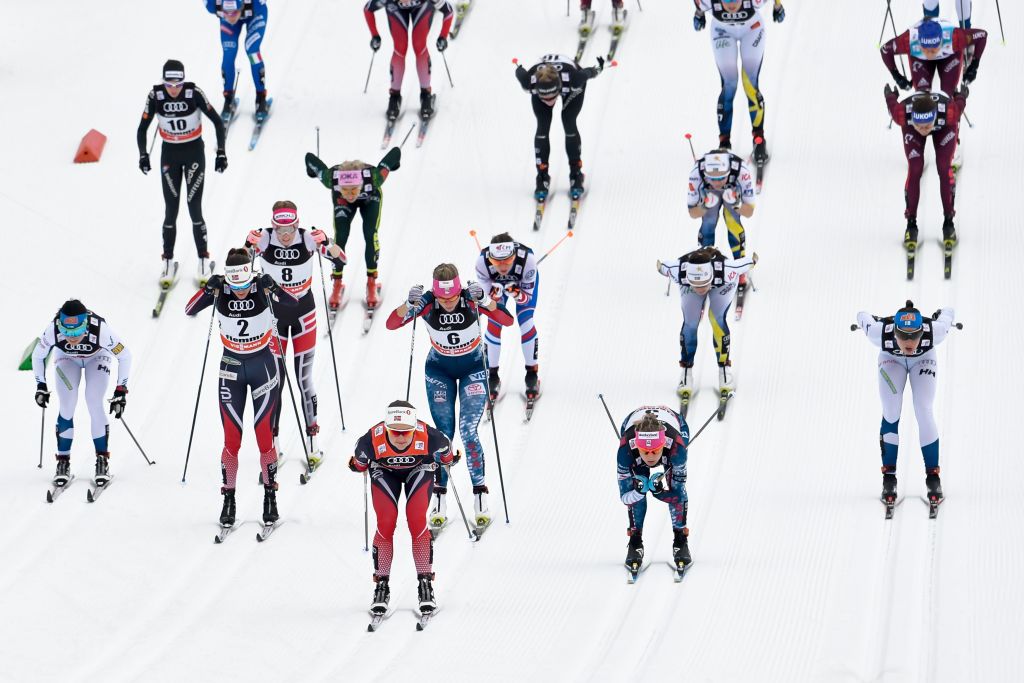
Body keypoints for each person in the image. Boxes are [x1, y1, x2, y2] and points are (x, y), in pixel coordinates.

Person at [385, 264, 514, 531]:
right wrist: (407, 304)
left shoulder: (470, 298)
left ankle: (480, 496)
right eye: (443, 298)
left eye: (452, 297)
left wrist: (486, 301)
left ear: (459, 291)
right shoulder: (427, 303)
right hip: (439, 370)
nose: (447, 303)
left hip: (473, 369)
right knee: (443, 435)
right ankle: (439, 499)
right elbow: (392, 324)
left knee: (468, 432)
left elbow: (507, 320)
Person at [185, 247, 295, 529]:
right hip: (231, 367)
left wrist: (275, 288)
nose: (241, 292)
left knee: (263, 438)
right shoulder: (221, 289)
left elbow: (293, 304)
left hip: (263, 366)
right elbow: (189, 309)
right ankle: (228, 498)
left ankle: (270, 496)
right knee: (232, 440)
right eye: (236, 286)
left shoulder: (260, 285)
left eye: (245, 285)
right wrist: (207, 290)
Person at [246, 202, 346, 466]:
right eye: (281, 229)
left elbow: (341, 259)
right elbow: (241, 266)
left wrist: (329, 241)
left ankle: (312, 440)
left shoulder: (308, 239)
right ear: (274, 225)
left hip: (304, 315)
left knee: (304, 380)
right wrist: (248, 245)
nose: (286, 235)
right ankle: (273, 445)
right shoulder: (265, 238)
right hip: (274, 318)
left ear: (297, 223)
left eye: (290, 228)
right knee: (275, 382)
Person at [349, 400, 455, 616]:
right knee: (386, 523)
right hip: (384, 471)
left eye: (405, 433)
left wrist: (449, 460)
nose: (399, 437)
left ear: (414, 428)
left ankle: (426, 585)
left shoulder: (430, 436)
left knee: (416, 521)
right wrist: (357, 466)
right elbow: (359, 462)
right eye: (394, 432)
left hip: (420, 468)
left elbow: (447, 451)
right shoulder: (370, 440)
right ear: (386, 428)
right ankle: (381, 586)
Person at [854, 302, 955, 508]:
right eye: (903, 336)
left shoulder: (935, 332)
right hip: (892, 359)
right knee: (891, 411)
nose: (909, 342)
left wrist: (941, 313)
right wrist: (874, 319)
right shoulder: (879, 333)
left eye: (914, 336)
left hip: (924, 359)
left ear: (922, 332)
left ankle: (933, 478)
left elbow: (948, 313)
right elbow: (861, 314)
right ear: (895, 333)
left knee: (923, 409)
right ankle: (889, 479)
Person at [137, 59, 227, 288]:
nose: (174, 89)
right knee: (171, 210)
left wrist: (221, 153)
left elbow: (217, 121)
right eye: (169, 84)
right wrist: (143, 155)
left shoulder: (193, 93)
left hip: (193, 153)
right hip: (170, 155)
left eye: (178, 83)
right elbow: (142, 128)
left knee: (194, 208)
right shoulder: (155, 96)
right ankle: (167, 261)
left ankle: (203, 259)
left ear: (183, 81)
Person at [32, 300, 132, 490]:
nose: (72, 338)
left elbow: (125, 355)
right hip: (67, 359)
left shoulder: (100, 330)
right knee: (67, 405)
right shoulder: (52, 330)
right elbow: (38, 356)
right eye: (67, 332)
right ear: (60, 325)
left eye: (77, 332)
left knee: (94, 401)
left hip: (97, 357)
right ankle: (63, 462)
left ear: (85, 325)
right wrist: (41, 385)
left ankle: (102, 459)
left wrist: (121, 391)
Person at [657, 247, 756, 409]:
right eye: (697, 284)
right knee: (690, 323)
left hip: (721, 285)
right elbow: (662, 266)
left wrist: (753, 261)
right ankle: (686, 372)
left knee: (716, 319)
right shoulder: (677, 271)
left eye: (704, 284)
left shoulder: (727, 270)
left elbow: (747, 263)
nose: (701, 289)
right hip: (689, 286)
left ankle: (724, 369)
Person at [305, 147, 401, 312]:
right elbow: (309, 157)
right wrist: (394, 164)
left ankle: (371, 283)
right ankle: (337, 283)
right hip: (342, 202)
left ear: (361, 184)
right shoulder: (330, 179)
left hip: (370, 199)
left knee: (370, 234)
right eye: (346, 190)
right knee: (340, 237)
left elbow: (396, 152)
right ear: (339, 185)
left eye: (354, 190)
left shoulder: (374, 177)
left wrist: (394, 163)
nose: (350, 194)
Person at [692, 0, 786, 162]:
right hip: (722, 31)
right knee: (729, 84)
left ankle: (759, 139)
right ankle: (724, 142)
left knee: (750, 83)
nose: (732, 5)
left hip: (752, 29)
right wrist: (699, 14)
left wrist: (778, 6)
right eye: (727, 0)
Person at [884, 85, 968, 249]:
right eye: (920, 126)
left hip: (944, 128)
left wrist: (961, 95)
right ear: (913, 119)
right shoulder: (902, 114)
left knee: (944, 167)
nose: (924, 131)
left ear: (934, 117)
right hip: (913, 127)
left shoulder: (949, 112)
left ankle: (949, 221)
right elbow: (891, 103)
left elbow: (960, 104)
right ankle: (911, 223)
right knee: (915, 168)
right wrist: (890, 94)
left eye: (927, 126)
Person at [514, 54, 605, 201]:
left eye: (552, 96)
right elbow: (520, 73)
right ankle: (542, 176)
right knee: (542, 126)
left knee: (568, 120)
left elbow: (587, 73)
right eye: (545, 97)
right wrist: (518, 67)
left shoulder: (574, 79)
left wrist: (599, 68)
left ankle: (576, 173)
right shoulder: (529, 83)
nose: (549, 101)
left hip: (569, 83)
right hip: (550, 81)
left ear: (558, 89)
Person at [617, 405, 692, 574]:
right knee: (638, 481)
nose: (650, 457)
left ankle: (680, 540)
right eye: (646, 451)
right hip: (630, 424)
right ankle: (635, 541)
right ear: (637, 445)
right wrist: (639, 491)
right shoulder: (625, 451)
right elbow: (624, 497)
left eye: (655, 451)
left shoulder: (677, 449)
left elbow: (679, 495)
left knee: (673, 483)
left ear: (663, 444)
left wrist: (660, 493)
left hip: (676, 424)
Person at [473, 233, 540, 402]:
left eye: (507, 261)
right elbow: (485, 299)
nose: (502, 267)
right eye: (497, 262)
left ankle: (532, 374)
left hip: (520, 286)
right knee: (494, 323)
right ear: (490, 259)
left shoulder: (528, 260)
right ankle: (493, 376)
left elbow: (527, 298)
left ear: (514, 256)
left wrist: (516, 293)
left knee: (526, 322)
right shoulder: (482, 263)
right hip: (496, 287)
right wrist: (493, 294)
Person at [364, 0, 454, 121]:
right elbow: (368, 9)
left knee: (419, 44)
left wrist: (443, 36)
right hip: (395, 8)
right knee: (400, 47)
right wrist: (374, 35)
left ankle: (425, 95)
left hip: (422, 6)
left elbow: (448, 11)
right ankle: (394, 96)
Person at [686, 148, 756, 294]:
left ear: (729, 171)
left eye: (721, 178)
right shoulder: (696, 173)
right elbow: (692, 213)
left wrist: (737, 206)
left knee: (732, 223)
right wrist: (705, 207)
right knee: (708, 223)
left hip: (733, 190)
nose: (717, 183)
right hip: (708, 193)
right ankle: (705, 264)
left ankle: (740, 269)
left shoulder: (742, 171)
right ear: (705, 173)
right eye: (712, 178)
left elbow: (749, 212)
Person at [881, 16, 987, 95]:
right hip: (920, 59)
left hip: (948, 56)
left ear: (941, 41)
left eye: (934, 48)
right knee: (922, 96)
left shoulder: (955, 37)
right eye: (926, 49)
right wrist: (896, 75)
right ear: (919, 42)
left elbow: (982, 36)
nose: (930, 54)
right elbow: (885, 50)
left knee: (947, 94)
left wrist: (974, 65)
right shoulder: (908, 40)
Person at [204, 0, 271, 122]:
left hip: (256, 14)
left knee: (252, 51)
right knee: (228, 55)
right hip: (237, 17)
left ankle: (261, 97)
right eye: (227, 12)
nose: (231, 17)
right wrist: (230, 13)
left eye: (234, 12)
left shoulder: (256, 2)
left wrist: (227, 13)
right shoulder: (211, 4)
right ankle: (228, 98)